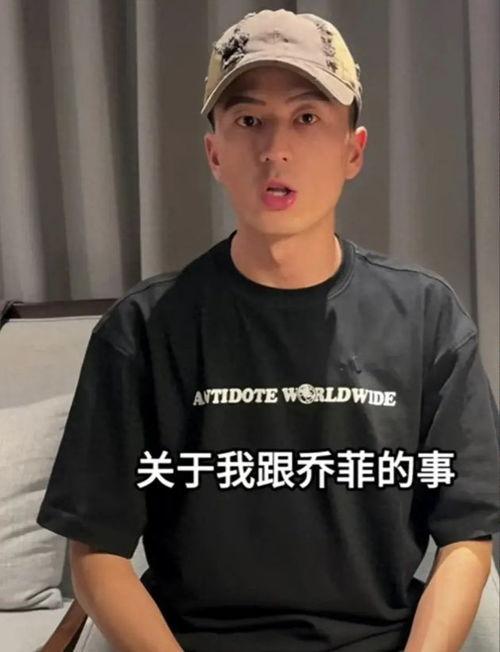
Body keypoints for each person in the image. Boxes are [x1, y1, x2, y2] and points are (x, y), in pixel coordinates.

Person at [37, 8, 499, 652]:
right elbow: (96, 551)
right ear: (215, 152)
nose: (275, 150)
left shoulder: (427, 316)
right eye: (249, 120)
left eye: (307, 118)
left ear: (353, 150)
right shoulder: (143, 328)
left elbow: (467, 536)